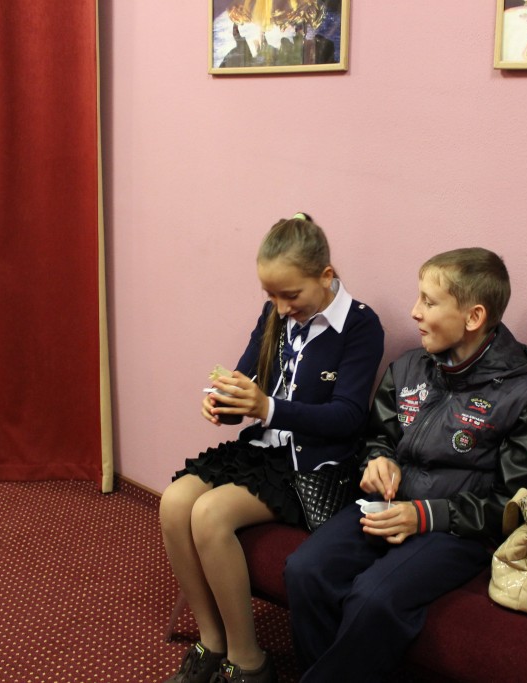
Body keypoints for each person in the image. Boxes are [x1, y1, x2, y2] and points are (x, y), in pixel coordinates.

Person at [285, 247, 527, 683]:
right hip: (387, 507)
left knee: (373, 599)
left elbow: (514, 505)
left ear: (473, 317)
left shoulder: (524, 397)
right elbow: (377, 437)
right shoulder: (409, 367)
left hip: (455, 532)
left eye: (429, 301)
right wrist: (379, 460)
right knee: (305, 570)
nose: (414, 311)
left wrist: (426, 515)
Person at [159, 213, 384, 683]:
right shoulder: (274, 316)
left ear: (325, 276)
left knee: (209, 514)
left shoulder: (360, 325)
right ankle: (211, 641)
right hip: (264, 451)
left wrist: (268, 408)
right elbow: (246, 380)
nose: (280, 308)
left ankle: (248, 662)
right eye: (271, 295)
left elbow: (347, 417)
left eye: (291, 295)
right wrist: (224, 403)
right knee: (174, 502)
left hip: (313, 466)